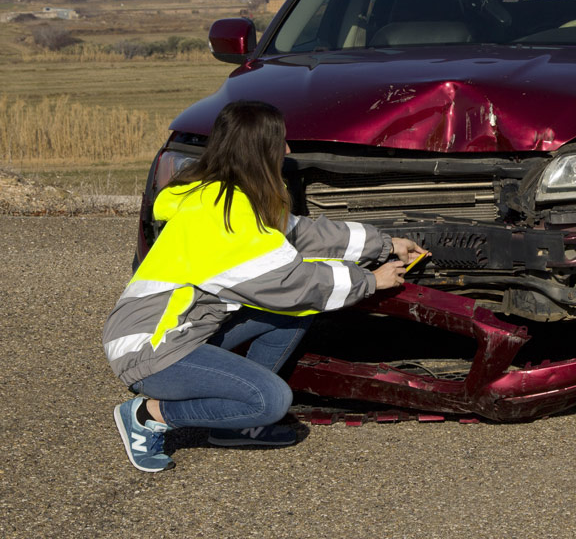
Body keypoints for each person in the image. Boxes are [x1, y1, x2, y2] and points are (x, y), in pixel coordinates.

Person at [102, 100, 428, 472]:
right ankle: (150, 415)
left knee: (295, 315)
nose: (287, 150)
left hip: (181, 330)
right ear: (260, 149)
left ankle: (236, 425)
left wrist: (384, 243)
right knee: (271, 400)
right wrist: (370, 280)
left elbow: (303, 233)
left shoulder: (231, 196)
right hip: (150, 348)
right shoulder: (223, 222)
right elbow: (291, 283)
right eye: (281, 142)